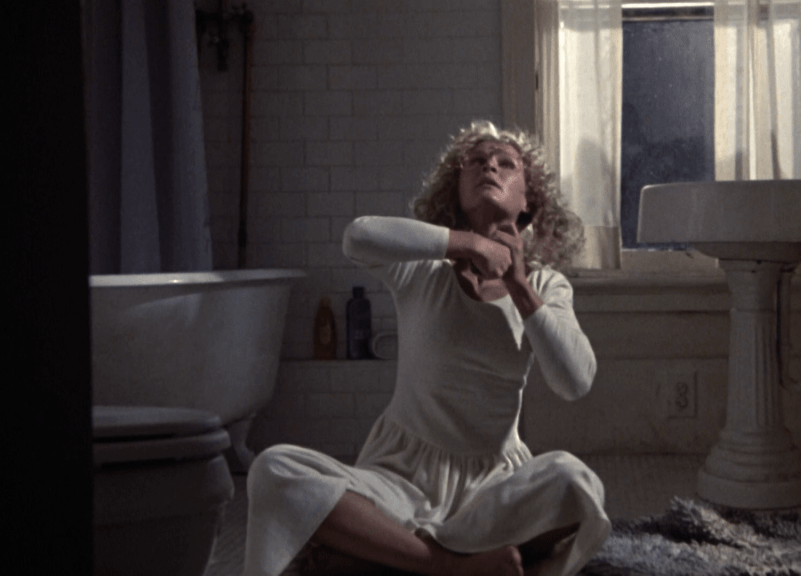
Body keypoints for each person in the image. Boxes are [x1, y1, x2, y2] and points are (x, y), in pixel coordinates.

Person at [242, 121, 610, 576]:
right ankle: (449, 566)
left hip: (493, 486)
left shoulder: (545, 285)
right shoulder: (423, 269)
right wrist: (469, 243)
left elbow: (575, 381)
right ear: (455, 191)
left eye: (506, 163)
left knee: (578, 485)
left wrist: (519, 286)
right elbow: (357, 237)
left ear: (527, 201)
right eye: (476, 161)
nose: (490, 166)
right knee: (273, 470)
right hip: (398, 480)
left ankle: (384, 556)